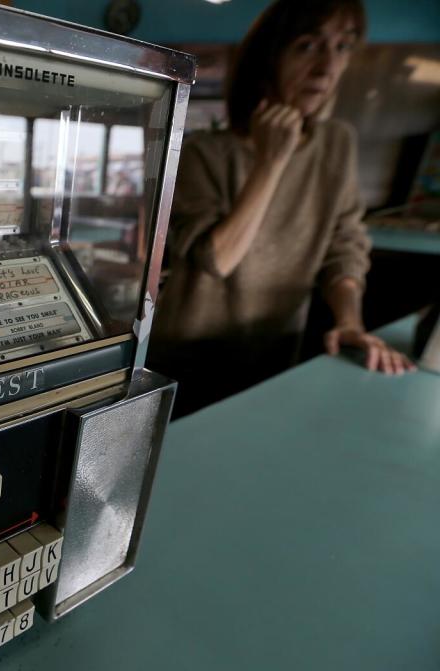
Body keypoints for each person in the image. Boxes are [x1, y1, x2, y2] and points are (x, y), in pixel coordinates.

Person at [148, 0, 415, 418]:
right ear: (267, 59)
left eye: (342, 47)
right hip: (186, 358)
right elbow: (217, 258)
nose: (328, 67)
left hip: (276, 348)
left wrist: (349, 320)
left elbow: (344, 243)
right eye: (308, 46)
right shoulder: (202, 152)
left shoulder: (336, 143)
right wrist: (271, 162)